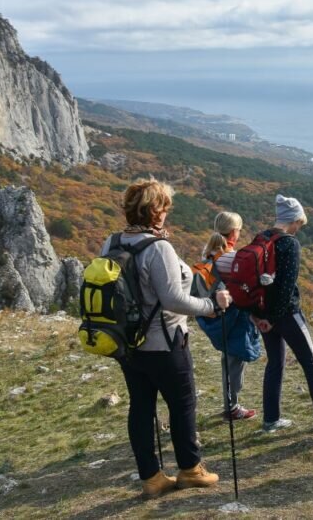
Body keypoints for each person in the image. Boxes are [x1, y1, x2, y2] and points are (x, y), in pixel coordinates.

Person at [107, 178, 232, 497]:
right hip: (165, 342)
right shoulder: (158, 247)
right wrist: (210, 305)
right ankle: (190, 469)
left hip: (127, 344)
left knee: (141, 406)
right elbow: (173, 299)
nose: (167, 212)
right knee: (182, 403)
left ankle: (151, 478)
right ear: (154, 211)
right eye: (164, 207)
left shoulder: (112, 243)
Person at [251, 194, 313, 433]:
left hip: (262, 313)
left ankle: (271, 420)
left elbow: (252, 281)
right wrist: (273, 317)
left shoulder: (260, 238)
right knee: (311, 362)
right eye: (300, 222)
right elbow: (287, 285)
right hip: (287, 314)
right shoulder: (289, 243)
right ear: (295, 219)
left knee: (274, 364)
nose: (300, 227)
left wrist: (259, 317)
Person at [196, 211, 261, 421]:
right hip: (233, 318)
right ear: (234, 232)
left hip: (213, 317)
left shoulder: (208, 254)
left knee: (229, 361)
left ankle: (230, 404)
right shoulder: (232, 258)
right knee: (235, 362)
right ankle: (232, 407)